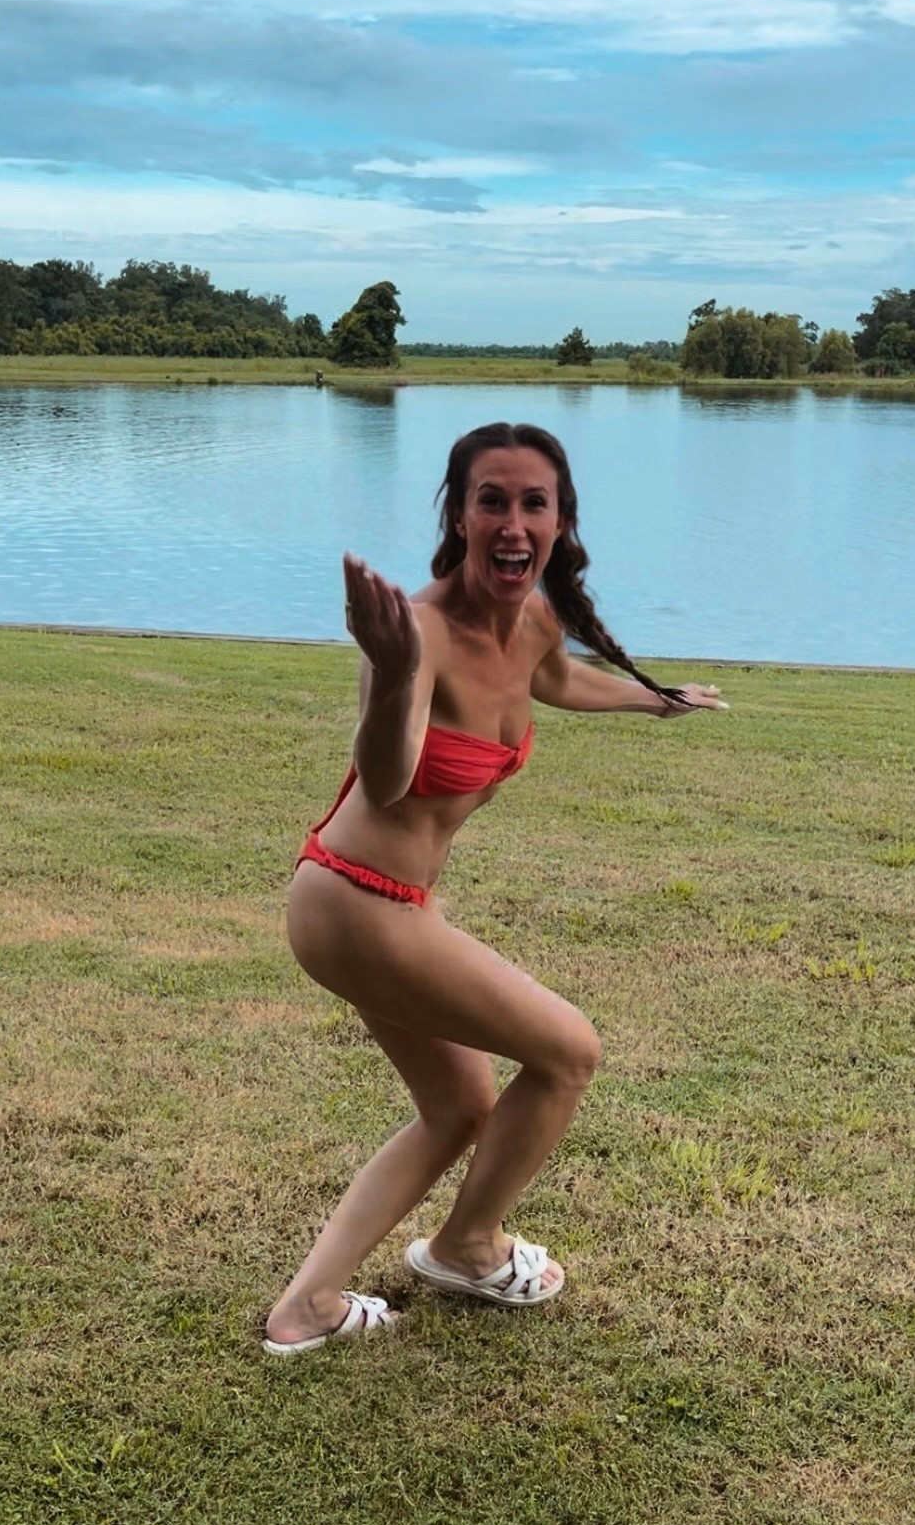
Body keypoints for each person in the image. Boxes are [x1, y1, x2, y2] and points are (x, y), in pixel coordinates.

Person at [263, 421, 727, 1354]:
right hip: (357, 900)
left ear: (560, 520)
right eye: (491, 501)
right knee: (568, 1051)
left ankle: (307, 1306)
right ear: (459, 515)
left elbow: (553, 678)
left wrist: (656, 698)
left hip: (381, 902)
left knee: (458, 1107)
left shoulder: (536, 621)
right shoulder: (418, 633)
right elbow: (386, 779)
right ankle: (468, 1245)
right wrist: (397, 673)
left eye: (532, 503)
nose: (513, 522)